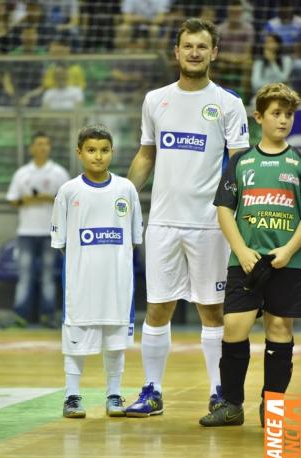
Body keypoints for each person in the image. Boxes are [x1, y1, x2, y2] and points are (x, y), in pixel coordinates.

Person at [125, 17, 250, 418]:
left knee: (211, 311)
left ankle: (218, 392)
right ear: (176, 52)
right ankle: (152, 391)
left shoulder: (229, 103)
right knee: (157, 308)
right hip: (162, 222)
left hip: (210, 225)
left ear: (214, 52)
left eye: (202, 46)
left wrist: (237, 217)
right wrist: (123, 199)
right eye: (187, 46)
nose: (194, 52)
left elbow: (238, 164)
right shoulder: (154, 99)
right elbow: (147, 154)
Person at [199, 82, 301, 427]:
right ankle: (230, 404)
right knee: (233, 327)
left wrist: (287, 250)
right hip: (244, 262)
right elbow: (225, 209)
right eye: (276, 113)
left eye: (288, 114)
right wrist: (241, 251)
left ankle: (272, 405)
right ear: (258, 117)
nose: (283, 120)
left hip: (288, 262)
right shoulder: (242, 161)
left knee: (279, 327)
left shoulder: (298, 162)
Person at [50, 124, 143, 418]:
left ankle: (114, 394)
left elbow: (134, 239)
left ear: (112, 152)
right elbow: (62, 242)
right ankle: (72, 396)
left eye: (104, 150)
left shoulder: (126, 189)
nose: (98, 157)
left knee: (116, 341)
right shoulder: (68, 191)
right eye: (91, 150)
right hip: (81, 284)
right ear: (79, 153)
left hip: (117, 284)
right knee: (75, 337)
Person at [6, 132, 70, 327]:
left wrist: (48, 198)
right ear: (32, 148)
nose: (42, 147)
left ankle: (48, 315)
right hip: (26, 232)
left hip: (51, 232)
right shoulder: (22, 173)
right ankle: (20, 316)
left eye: (46, 144)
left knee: (48, 276)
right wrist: (26, 200)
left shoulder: (59, 173)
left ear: (50, 148)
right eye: (39, 144)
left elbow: (68, 202)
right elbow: (13, 200)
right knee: (24, 275)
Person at [251, 33, 292, 97]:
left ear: (278, 44)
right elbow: (255, 83)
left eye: (271, 42)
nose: (268, 45)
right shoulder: (259, 61)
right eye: (266, 42)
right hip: (264, 94)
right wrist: (270, 89)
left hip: (282, 93)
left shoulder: (286, 60)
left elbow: (284, 79)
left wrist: (272, 62)